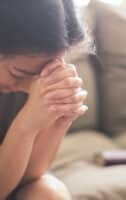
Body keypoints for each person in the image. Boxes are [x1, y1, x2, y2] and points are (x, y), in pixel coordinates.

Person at [0, 0, 88, 199]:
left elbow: (28, 177)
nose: (32, 82)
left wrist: (59, 119)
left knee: (48, 192)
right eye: (19, 71)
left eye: (41, 73)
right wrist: (26, 125)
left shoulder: (35, 78)